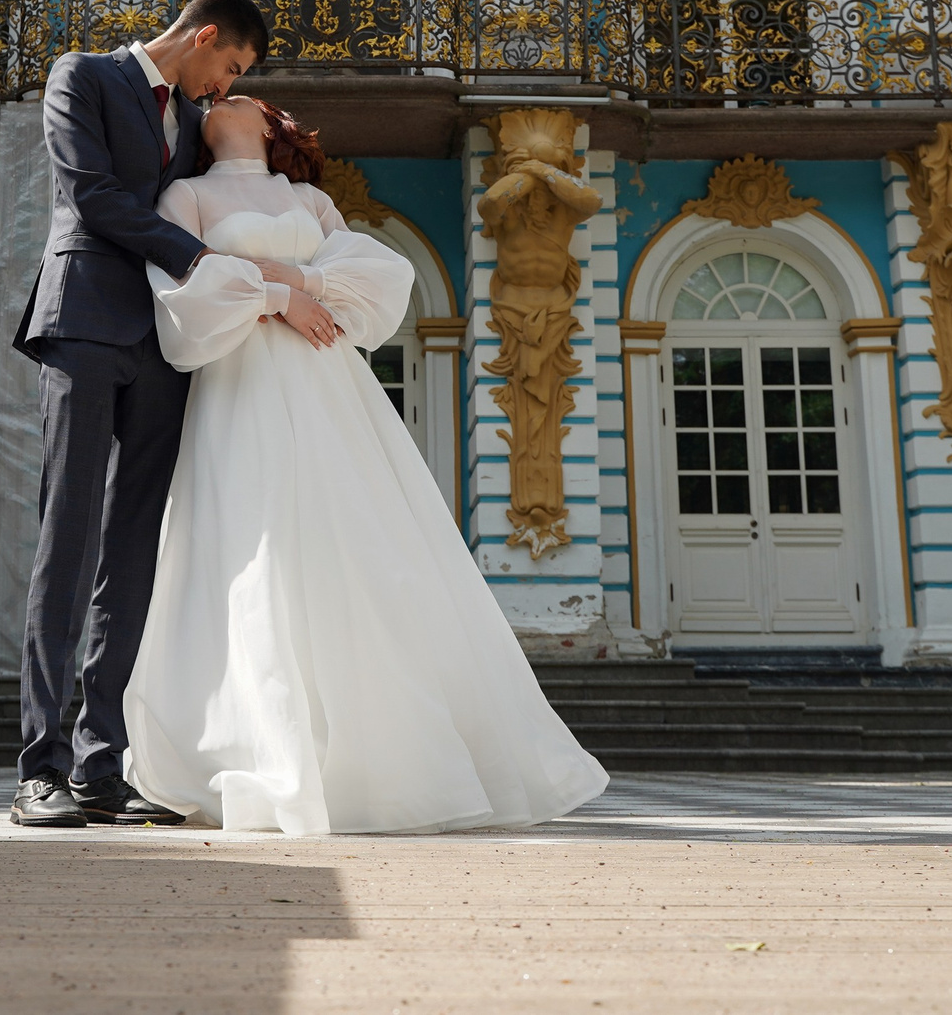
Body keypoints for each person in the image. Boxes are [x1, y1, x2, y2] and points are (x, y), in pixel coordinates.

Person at [124, 95, 609, 834]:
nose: (225, 100)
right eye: (220, 92)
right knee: (249, 540)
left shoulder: (308, 199)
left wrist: (292, 289)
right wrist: (283, 291)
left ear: (270, 124)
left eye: (245, 95)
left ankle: (378, 757)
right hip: (239, 378)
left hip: (324, 378)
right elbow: (185, 287)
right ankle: (256, 749)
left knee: (353, 541)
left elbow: (374, 279)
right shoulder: (184, 193)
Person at [9, 0, 267, 828]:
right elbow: (90, 196)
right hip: (83, 321)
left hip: (164, 344)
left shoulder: (198, 125)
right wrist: (201, 259)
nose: (222, 89)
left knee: (134, 553)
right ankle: (38, 769)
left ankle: (99, 768)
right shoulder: (80, 76)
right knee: (69, 537)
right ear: (201, 37)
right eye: (227, 67)